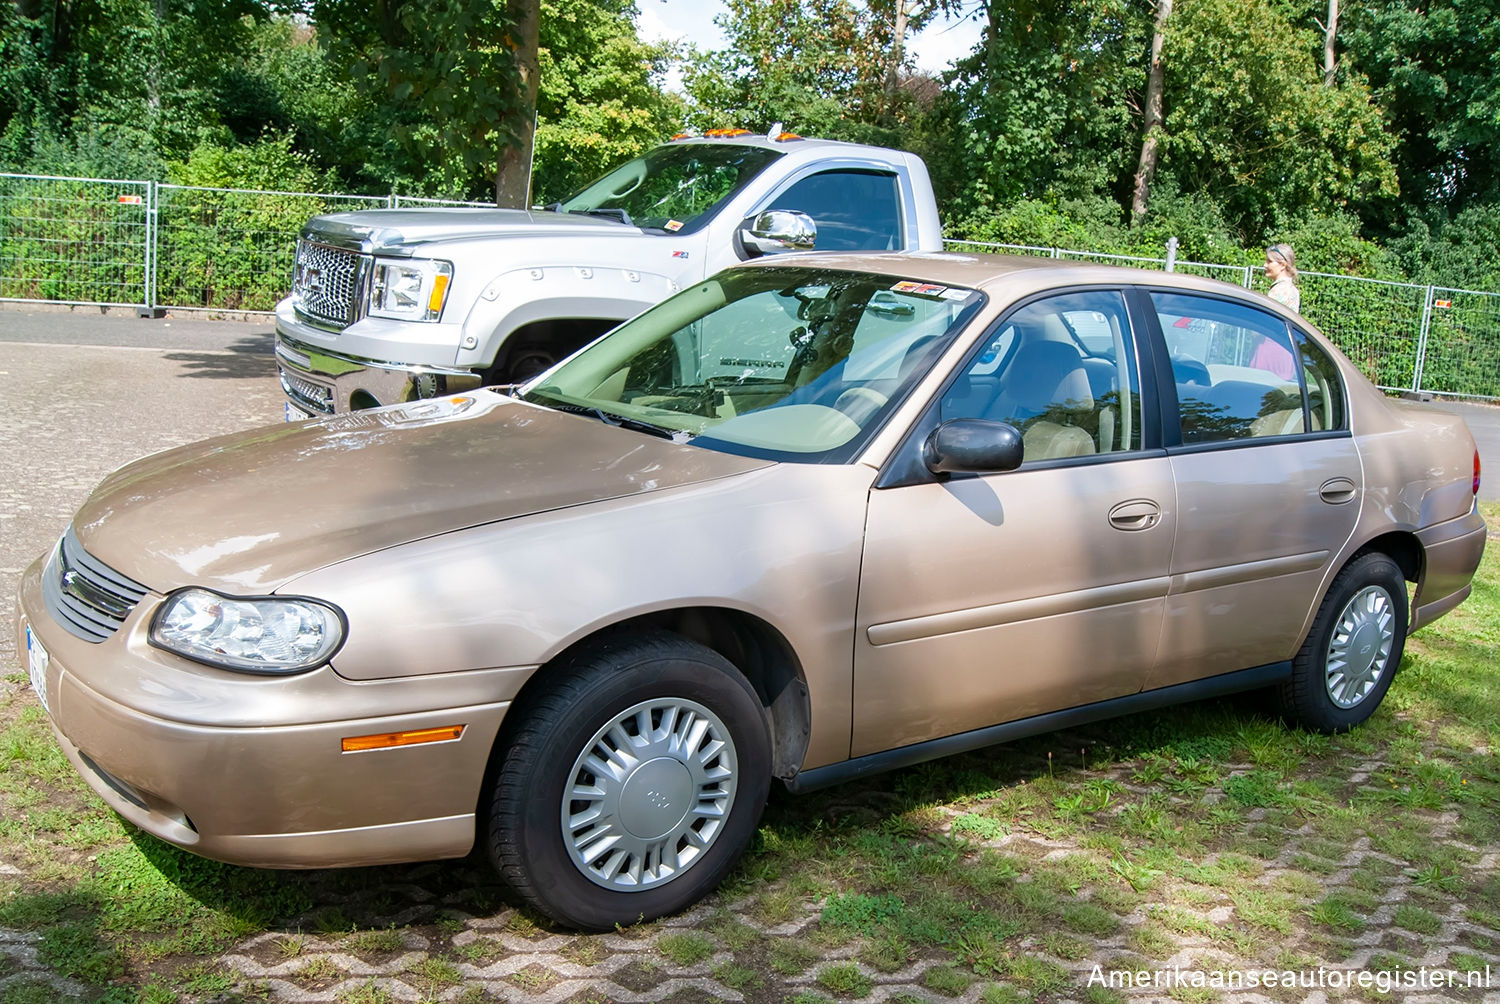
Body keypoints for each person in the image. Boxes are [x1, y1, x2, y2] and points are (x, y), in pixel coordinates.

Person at [1264, 243, 1301, 312]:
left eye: (1269, 261)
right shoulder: (1292, 289)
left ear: (1282, 265)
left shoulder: (1279, 291)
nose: (1265, 265)